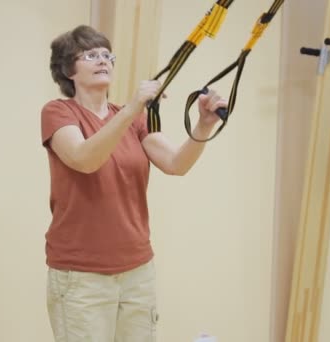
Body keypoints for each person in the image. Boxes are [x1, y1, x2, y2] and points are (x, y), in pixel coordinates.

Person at [41, 25, 227, 342]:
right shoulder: (58, 112)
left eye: (106, 54)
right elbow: (85, 159)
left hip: (137, 271)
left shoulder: (135, 119)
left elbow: (175, 164)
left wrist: (203, 125)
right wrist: (130, 108)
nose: (102, 60)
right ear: (68, 69)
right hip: (81, 276)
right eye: (90, 55)